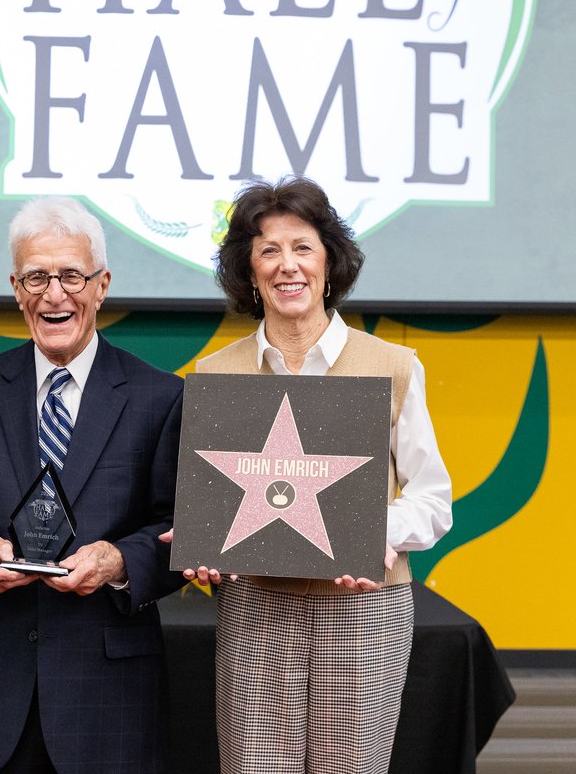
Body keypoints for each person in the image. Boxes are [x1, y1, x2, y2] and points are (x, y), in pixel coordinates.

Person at [176, 176, 452, 774]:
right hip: (254, 607)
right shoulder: (215, 374)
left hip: (363, 610)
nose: (287, 266)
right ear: (249, 274)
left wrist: (369, 531)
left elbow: (433, 500)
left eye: (303, 247)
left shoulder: (394, 365)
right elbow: (210, 506)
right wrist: (201, 544)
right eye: (268, 251)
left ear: (330, 263)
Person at [0, 197, 186, 774]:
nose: (54, 293)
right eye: (36, 276)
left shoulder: (159, 396)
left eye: (71, 275)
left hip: (108, 702)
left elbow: (181, 532)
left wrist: (119, 561)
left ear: (101, 285)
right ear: (16, 288)